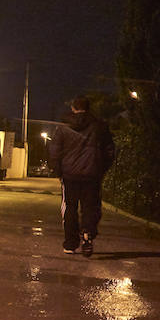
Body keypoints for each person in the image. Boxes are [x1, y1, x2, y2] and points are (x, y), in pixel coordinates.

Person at [48, 96, 115, 257]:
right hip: (92, 175)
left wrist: (58, 171)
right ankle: (87, 233)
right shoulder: (100, 127)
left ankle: (70, 244)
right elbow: (110, 151)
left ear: (73, 108)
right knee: (90, 208)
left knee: (69, 209)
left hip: (69, 175)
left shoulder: (63, 128)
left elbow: (54, 151)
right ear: (89, 108)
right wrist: (100, 169)